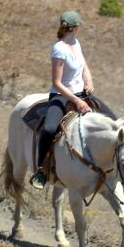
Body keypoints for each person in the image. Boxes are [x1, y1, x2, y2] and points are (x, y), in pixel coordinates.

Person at [30, 10, 96, 189]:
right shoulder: (59, 49)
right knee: (49, 129)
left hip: (81, 94)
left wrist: (88, 79)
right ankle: (41, 170)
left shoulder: (76, 42)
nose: (80, 27)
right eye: (79, 25)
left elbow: (83, 65)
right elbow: (57, 83)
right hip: (61, 96)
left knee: (108, 117)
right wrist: (77, 101)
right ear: (74, 27)